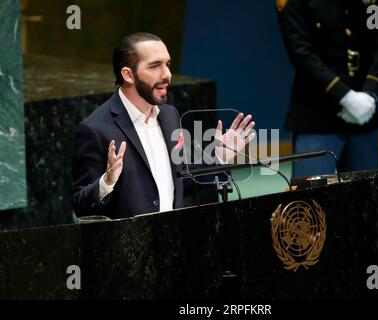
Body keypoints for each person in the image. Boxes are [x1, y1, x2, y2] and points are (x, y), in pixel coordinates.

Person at [72, 33, 255, 219]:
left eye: (167, 64)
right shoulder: (95, 129)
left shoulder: (169, 115)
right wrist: (107, 182)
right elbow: (81, 206)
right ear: (128, 74)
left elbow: (178, 181)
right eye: (155, 66)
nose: (167, 74)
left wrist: (218, 158)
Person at [276, 0, 378, 178]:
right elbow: (301, 52)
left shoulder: (370, 2)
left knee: (367, 197)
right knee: (310, 201)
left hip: (364, 111)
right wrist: (346, 97)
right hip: (317, 114)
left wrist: (370, 93)